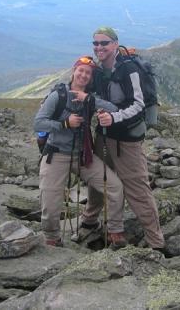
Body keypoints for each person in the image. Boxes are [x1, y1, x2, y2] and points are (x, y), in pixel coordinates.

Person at [81, 27, 165, 250]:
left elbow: (138, 105)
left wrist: (114, 117)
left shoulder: (129, 70)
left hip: (127, 139)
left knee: (137, 189)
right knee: (98, 181)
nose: (99, 47)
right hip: (104, 136)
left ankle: (156, 242)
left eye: (104, 43)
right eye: (96, 43)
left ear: (116, 44)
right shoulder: (98, 70)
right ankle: (90, 221)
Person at [33, 55, 127, 248]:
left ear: (91, 78)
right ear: (74, 71)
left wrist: (90, 100)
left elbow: (113, 108)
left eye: (88, 73)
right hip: (56, 154)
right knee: (50, 206)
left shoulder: (90, 97)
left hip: (83, 155)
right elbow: (38, 123)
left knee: (115, 186)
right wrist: (65, 123)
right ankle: (52, 237)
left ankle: (115, 231)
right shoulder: (58, 96)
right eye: (81, 71)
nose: (83, 75)